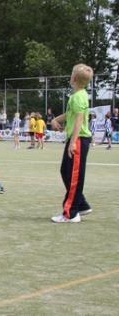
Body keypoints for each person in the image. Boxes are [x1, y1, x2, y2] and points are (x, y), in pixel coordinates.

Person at [50, 64, 94, 223]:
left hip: (79, 139)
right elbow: (71, 114)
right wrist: (56, 119)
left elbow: (79, 120)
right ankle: (81, 204)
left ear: (74, 78)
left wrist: (73, 142)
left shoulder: (78, 97)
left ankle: (71, 213)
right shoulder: (78, 95)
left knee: (74, 176)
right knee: (65, 171)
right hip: (76, 139)